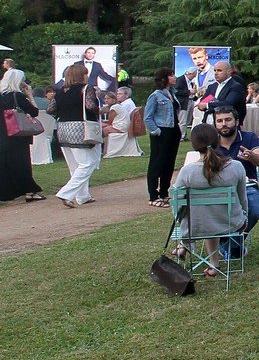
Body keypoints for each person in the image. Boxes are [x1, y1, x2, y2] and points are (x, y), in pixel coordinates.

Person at [172, 123, 248, 277]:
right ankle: (213, 265)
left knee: (201, 217)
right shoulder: (236, 167)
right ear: (217, 139)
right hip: (230, 224)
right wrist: (244, 216)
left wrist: (179, 220)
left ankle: (186, 245)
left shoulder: (187, 172)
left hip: (196, 228)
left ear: (194, 145)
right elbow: (242, 198)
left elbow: (177, 202)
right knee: (210, 219)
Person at [0, 69, 44, 208]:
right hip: (16, 137)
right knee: (22, 165)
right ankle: (29, 191)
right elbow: (34, 112)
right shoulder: (18, 97)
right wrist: (30, 95)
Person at [211, 104, 259, 257]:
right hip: (217, 189)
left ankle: (227, 244)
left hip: (246, 187)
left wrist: (252, 156)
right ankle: (232, 245)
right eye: (219, 121)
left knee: (255, 209)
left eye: (228, 120)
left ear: (236, 122)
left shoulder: (249, 138)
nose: (224, 124)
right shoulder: (210, 143)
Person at [53, 64, 102, 208]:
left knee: (74, 165)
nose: (87, 76)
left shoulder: (60, 91)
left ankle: (83, 195)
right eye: (85, 74)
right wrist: (100, 107)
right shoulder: (87, 89)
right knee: (88, 163)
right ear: (81, 76)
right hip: (80, 128)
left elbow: (51, 109)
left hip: (62, 128)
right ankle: (66, 193)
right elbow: (91, 107)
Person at [144, 68, 182, 206]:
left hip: (173, 130)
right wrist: (156, 131)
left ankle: (164, 192)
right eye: (171, 75)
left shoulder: (172, 93)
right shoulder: (156, 96)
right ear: (164, 78)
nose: (174, 77)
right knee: (157, 162)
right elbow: (147, 117)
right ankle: (153, 195)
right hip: (162, 132)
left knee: (169, 162)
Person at [103, 87, 143, 158]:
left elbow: (110, 122)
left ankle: (101, 150)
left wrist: (101, 123)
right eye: (105, 99)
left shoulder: (114, 107)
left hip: (121, 126)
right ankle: (104, 149)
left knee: (103, 131)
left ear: (114, 99)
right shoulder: (118, 105)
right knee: (103, 128)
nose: (106, 100)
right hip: (123, 125)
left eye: (108, 98)